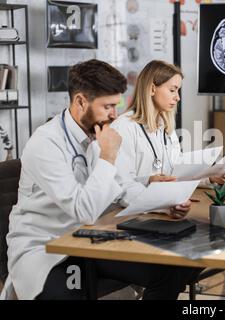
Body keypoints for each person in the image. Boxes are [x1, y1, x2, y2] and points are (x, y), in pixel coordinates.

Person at [3, 59, 199, 300]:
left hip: (91, 242)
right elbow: (83, 209)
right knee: (69, 295)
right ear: (80, 101)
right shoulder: (46, 144)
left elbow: (115, 187)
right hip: (48, 251)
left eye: (115, 106)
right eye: (107, 106)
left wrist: (152, 185)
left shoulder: (95, 134)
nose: (114, 115)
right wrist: (108, 156)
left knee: (174, 269)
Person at [111, 60, 225, 189]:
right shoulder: (124, 127)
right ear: (152, 89)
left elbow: (176, 172)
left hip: (160, 202)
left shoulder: (164, 126)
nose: (177, 98)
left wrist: (210, 177)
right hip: (134, 206)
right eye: (172, 90)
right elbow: (119, 183)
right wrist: (149, 181)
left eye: (178, 91)